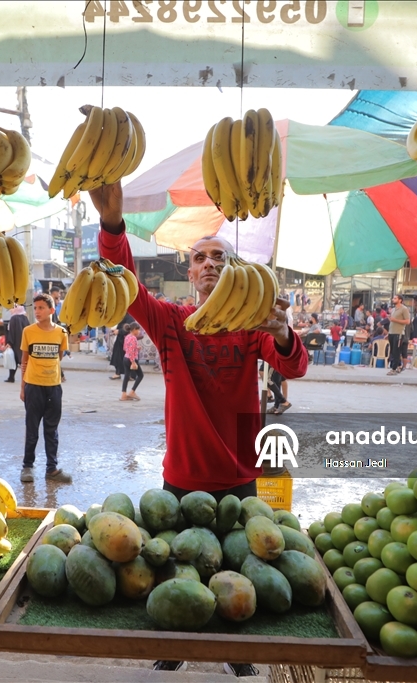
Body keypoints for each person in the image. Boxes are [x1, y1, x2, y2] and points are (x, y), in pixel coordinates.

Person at [92, 181, 306, 677]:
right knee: (180, 566)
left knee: (237, 567)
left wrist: (282, 332)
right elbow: (125, 284)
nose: (209, 263)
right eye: (200, 258)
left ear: (232, 271)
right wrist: (112, 225)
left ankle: (235, 649)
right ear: (189, 272)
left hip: (240, 474)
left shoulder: (254, 325)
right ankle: (179, 639)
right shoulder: (169, 321)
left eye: (218, 257)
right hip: (183, 474)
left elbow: (293, 368)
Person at [19, 294, 72, 484]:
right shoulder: (28, 331)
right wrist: (23, 386)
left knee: (52, 429)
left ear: (52, 310)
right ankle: (27, 467)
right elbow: (24, 360)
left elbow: (59, 356)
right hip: (33, 386)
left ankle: (52, 469)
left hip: (54, 387)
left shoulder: (61, 333)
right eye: (36, 308)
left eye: (41, 308)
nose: (37, 311)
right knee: (32, 429)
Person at [387, 294, 411, 376]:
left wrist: (395, 320)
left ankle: (393, 369)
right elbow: (392, 321)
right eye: (393, 298)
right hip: (391, 332)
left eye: (395, 298)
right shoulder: (393, 309)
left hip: (399, 333)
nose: (393, 299)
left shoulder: (404, 309)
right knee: (393, 352)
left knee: (396, 351)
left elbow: (408, 321)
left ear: (400, 300)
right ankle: (399, 366)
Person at [120, 322, 144, 401]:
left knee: (126, 376)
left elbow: (125, 348)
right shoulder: (133, 338)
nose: (139, 332)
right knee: (140, 375)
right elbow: (130, 350)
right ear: (134, 330)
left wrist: (136, 348)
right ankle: (132, 391)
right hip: (132, 359)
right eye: (138, 330)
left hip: (125, 358)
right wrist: (133, 362)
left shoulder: (127, 337)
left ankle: (123, 394)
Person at [7, 304, 30, 382]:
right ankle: (26, 377)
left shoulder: (14, 318)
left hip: (16, 342)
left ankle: (11, 377)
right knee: (23, 360)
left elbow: (11, 332)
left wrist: (9, 342)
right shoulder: (25, 318)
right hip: (24, 342)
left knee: (14, 359)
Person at [109, 313, 133, 380]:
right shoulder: (122, 315)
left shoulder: (129, 316)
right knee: (117, 357)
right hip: (120, 339)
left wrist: (119, 331)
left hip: (126, 340)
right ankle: (118, 373)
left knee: (126, 358)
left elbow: (129, 328)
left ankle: (128, 375)